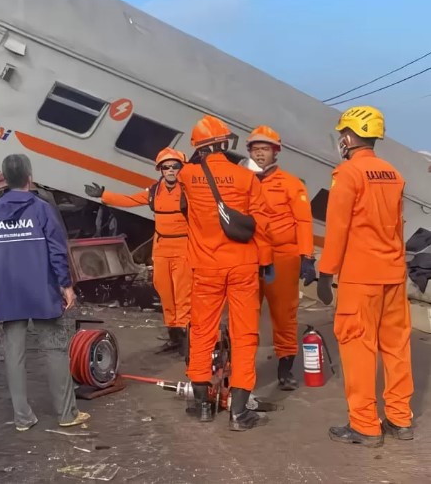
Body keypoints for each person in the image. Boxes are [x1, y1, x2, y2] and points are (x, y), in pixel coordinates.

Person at [317, 106, 414, 447]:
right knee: (397, 348)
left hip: (361, 278)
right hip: (393, 275)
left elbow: (338, 229)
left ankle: (365, 426)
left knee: (359, 349)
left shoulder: (347, 173)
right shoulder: (393, 174)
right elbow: (397, 228)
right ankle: (400, 420)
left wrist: (325, 274)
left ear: (348, 136)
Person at [0, 153, 90, 432]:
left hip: (9, 294)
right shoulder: (42, 209)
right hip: (41, 291)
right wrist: (66, 286)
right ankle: (67, 414)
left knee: (14, 354)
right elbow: (56, 252)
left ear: (4, 179)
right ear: (30, 177)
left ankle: (22, 418)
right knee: (54, 350)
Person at [178, 115, 273, 431]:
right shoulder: (246, 178)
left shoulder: (188, 175)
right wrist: (266, 261)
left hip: (206, 267)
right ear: (223, 144)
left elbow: (182, 206)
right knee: (245, 335)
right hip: (242, 267)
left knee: (202, 332)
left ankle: (203, 407)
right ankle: (239, 412)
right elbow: (262, 226)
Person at [84, 147, 191, 355]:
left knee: (183, 295)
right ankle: (175, 336)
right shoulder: (154, 191)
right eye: (166, 167)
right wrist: (104, 195)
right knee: (165, 293)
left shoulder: (189, 192)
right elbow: (131, 200)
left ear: (181, 168)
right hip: (161, 250)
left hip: (183, 249)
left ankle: (188, 341)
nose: (170, 170)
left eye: (175, 166)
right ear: (160, 170)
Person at [245, 126, 316, 390]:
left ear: (276, 152)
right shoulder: (243, 179)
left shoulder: (291, 183)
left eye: (265, 149)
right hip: (249, 255)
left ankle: (285, 369)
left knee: (284, 314)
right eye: (255, 149)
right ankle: (242, 370)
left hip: (282, 257)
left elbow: (304, 221)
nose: (260, 154)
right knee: (244, 314)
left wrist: (306, 256)